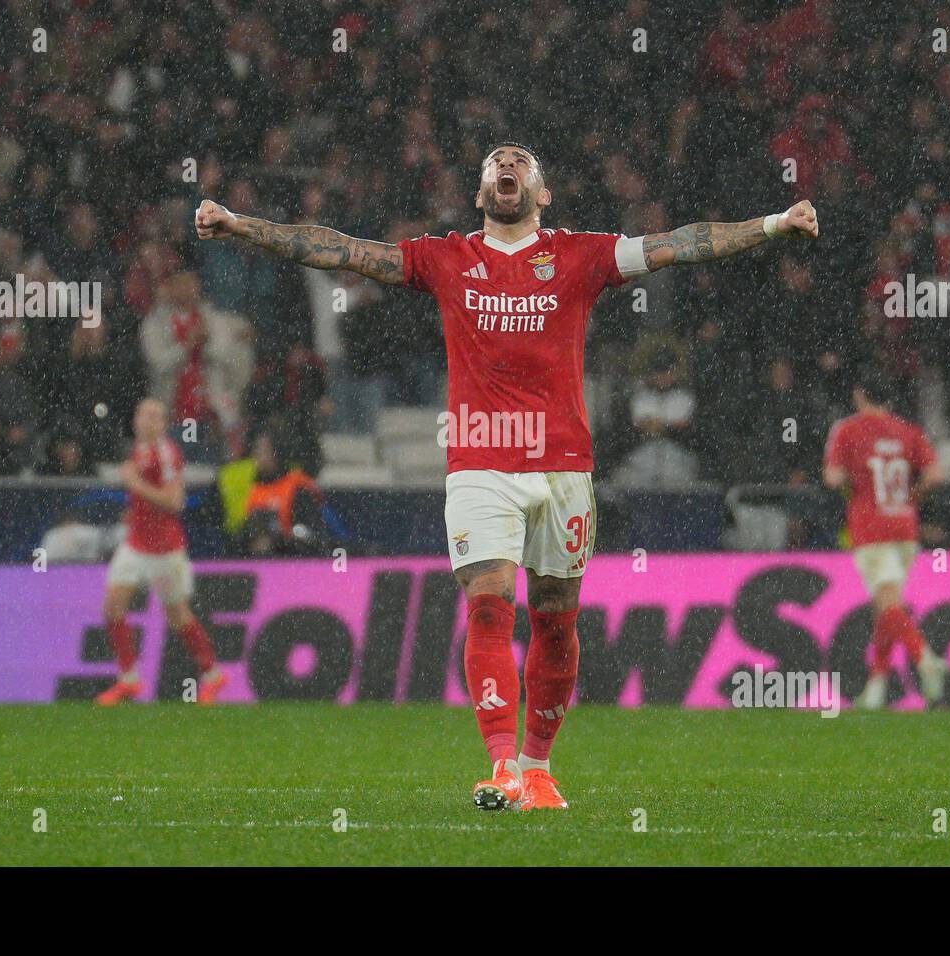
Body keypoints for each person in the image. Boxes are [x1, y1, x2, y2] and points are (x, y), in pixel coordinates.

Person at [196, 142, 818, 809]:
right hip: (480, 462)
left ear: (542, 193)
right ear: (481, 191)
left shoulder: (584, 255)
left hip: (564, 468)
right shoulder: (445, 258)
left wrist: (773, 225)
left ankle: (539, 768)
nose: (507, 168)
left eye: (520, 163)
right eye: (496, 163)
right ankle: (501, 768)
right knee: (490, 606)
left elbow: (681, 244)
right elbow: (340, 250)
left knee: (555, 622)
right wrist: (242, 226)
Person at [823, 369, 948, 710]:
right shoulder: (908, 431)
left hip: (870, 528)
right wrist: (912, 496)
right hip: (905, 526)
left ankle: (925, 659)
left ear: (860, 395)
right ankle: (876, 686)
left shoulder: (847, 429)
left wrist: (853, 481)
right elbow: (936, 475)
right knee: (886, 608)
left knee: (889, 605)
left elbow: (833, 479)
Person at [95, 398, 227, 706]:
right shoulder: (138, 451)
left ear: (164, 424)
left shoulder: (167, 454)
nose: (149, 421)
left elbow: (175, 502)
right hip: (136, 544)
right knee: (113, 608)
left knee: (178, 616)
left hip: (165, 550)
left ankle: (212, 674)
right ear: (135, 420)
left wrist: (135, 484)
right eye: (144, 415)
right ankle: (129, 679)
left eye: (156, 416)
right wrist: (134, 511)